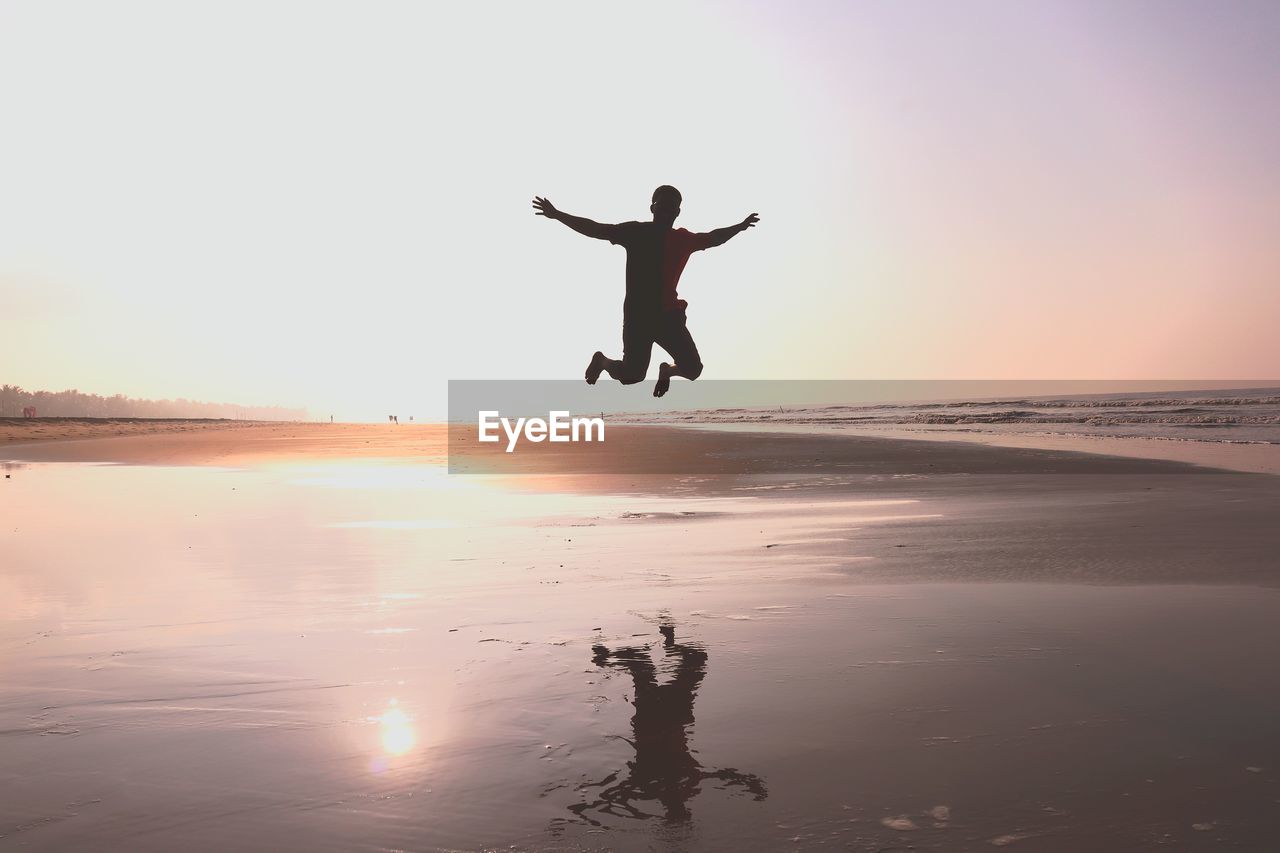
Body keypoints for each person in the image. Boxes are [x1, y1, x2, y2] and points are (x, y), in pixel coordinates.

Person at [533, 186, 759, 397]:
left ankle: (667, 371)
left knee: (693, 369)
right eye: (662, 204)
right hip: (638, 318)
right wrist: (558, 215)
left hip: (668, 317)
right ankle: (602, 361)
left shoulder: (683, 239)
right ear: (653, 208)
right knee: (633, 376)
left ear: (678, 212)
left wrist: (739, 227)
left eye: (672, 206)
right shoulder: (635, 232)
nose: (667, 210)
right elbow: (597, 229)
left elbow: (715, 237)